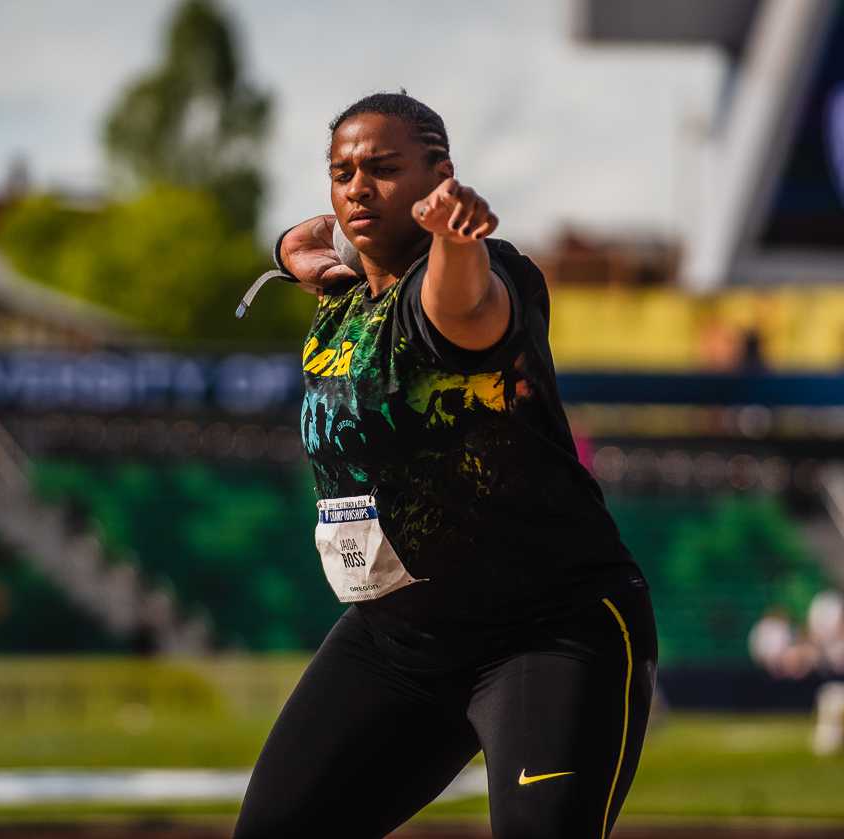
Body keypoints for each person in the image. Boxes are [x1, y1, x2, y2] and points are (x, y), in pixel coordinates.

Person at [233, 92, 657, 839]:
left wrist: (456, 240)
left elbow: (461, 305)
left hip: (547, 630)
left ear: (439, 177)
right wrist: (284, 253)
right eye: (342, 171)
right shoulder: (341, 301)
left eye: (384, 169)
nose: (359, 186)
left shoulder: (482, 274)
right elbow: (311, 238)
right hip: (399, 640)